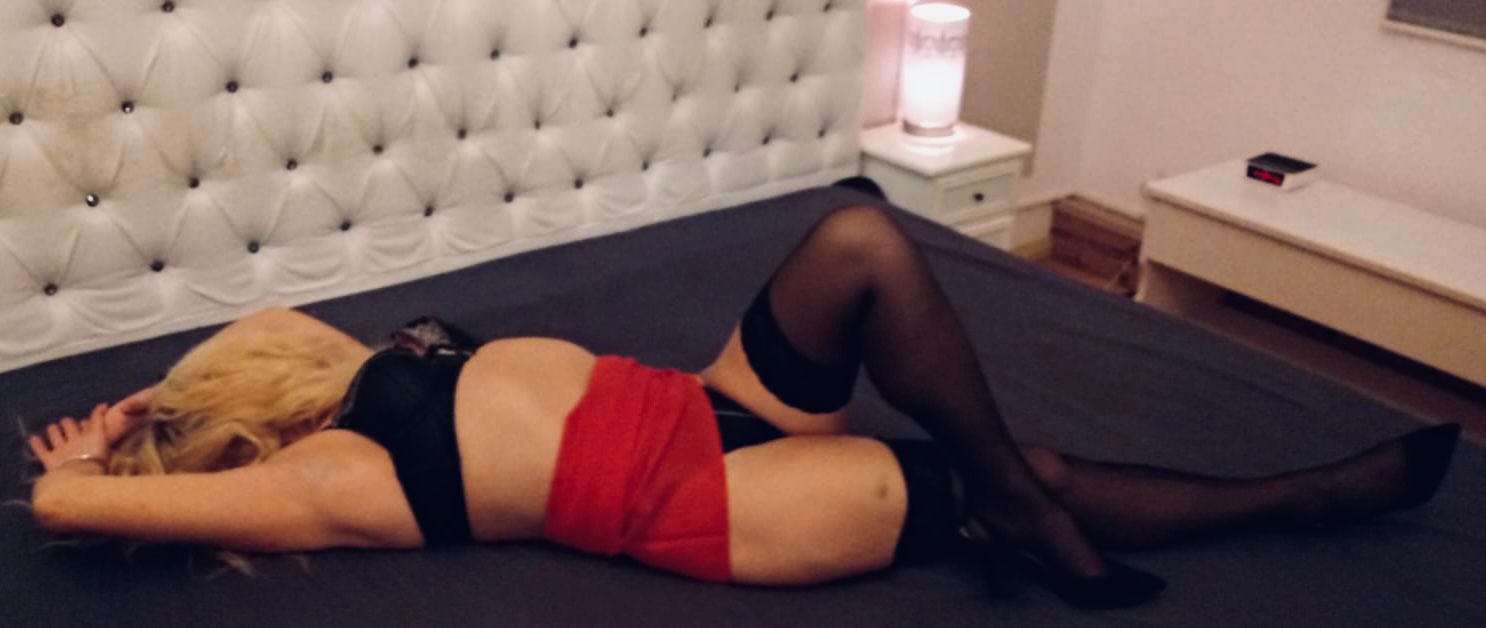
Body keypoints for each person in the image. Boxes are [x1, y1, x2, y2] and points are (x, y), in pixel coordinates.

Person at [25, 205, 1462, 609]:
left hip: (711, 402)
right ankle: (1307, 497)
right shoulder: (328, 486)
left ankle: (1012, 506)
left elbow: (263, 332)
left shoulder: (348, 367)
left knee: (860, 238)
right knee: (1019, 467)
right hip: (709, 503)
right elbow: (64, 504)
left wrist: (145, 396)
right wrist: (100, 462)